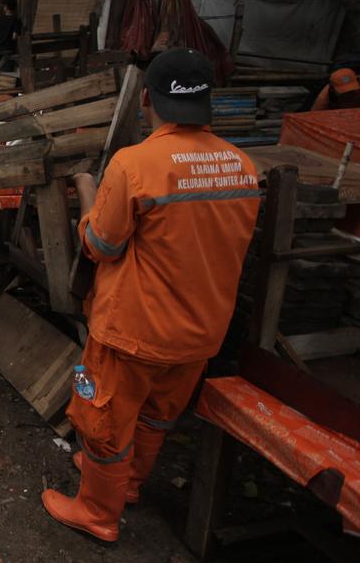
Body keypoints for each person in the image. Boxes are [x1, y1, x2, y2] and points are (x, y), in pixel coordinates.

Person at [41, 47, 260, 542]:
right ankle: (128, 484)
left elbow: (102, 244)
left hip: (134, 331)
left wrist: (86, 197)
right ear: (207, 103)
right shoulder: (243, 167)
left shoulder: (134, 164)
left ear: (146, 99)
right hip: (200, 334)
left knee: (104, 422)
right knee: (157, 417)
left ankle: (98, 511)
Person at [0, 0, 22, 71]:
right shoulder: (16, 21)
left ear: (6, 7)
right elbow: (14, 36)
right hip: (8, 51)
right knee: (5, 73)